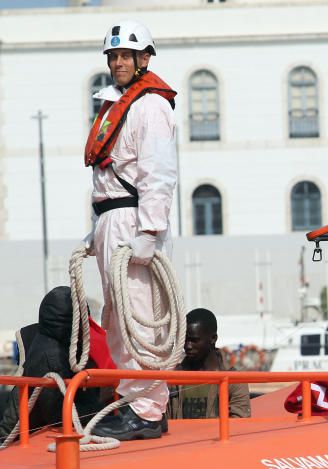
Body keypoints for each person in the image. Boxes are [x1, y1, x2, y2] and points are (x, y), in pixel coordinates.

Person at [85, 20, 178, 441]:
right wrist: (97, 228)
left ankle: (147, 409)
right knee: (116, 316)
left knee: (140, 315)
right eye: (114, 56)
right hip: (112, 219)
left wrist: (150, 229)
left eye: (126, 55)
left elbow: (159, 172)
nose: (119, 62)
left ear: (144, 59)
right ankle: (134, 402)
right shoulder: (114, 105)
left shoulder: (149, 106)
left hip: (134, 220)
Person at [0, 287, 114, 441]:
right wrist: (103, 411)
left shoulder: (57, 339)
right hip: (17, 437)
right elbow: (56, 413)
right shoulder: (51, 357)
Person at [167, 309, 250, 420]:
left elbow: (240, 424)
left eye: (194, 340)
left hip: (216, 437)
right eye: (185, 340)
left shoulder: (235, 379)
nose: (187, 346)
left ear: (213, 339)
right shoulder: (172, 377)